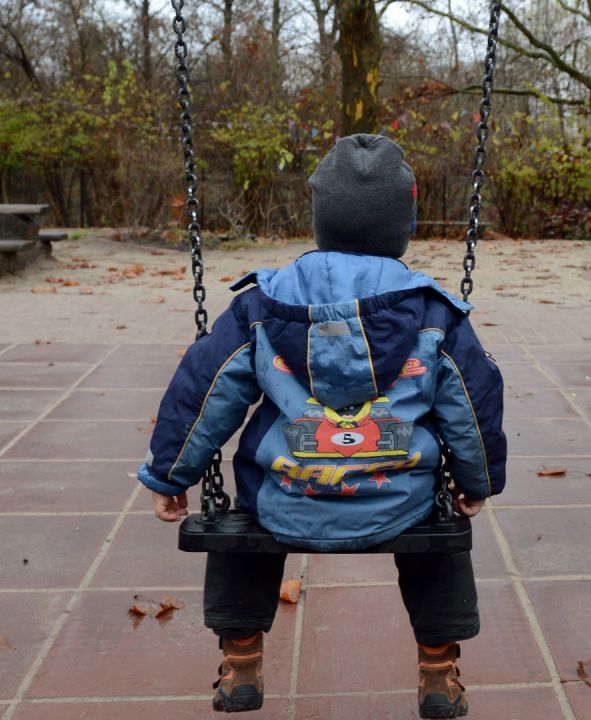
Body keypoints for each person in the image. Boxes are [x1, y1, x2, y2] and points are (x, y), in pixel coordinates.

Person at [137, 134, 507, 719]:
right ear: (403, 224)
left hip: (285, 496)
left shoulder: (262, 304)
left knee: (241, 525)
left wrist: (168, 474)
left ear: (320, 220)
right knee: (442, 541)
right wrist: (476, 482)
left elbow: (203, 391)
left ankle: (240, 664)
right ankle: (438, 672)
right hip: (398, 498)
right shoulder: (434, 313)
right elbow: (474, 404)